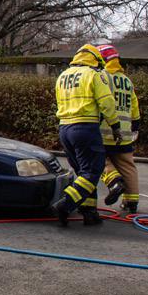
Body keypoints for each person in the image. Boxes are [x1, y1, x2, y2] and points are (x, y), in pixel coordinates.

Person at [50, 44, 122, 226]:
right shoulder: (93, 74)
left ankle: (89, 212)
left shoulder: (63, 76)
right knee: (92, 171)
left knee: (83, 174)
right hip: (85, 128)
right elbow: (106, 102)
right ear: (95, 60)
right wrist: (115, 125)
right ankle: (65, 205)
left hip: (64, 129)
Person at [95, 44, 142, 214]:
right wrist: (135, 124)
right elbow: (134, 105)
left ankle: (114, 182)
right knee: (127, 166)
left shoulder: (101, 77)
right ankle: (132, 201)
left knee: (98, 159)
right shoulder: (126, 80)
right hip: (125, 133)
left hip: (104, 130)